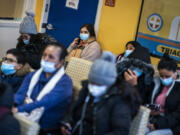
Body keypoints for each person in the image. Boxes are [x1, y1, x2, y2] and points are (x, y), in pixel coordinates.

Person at [61, 51, 141, 135]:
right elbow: (73, 110)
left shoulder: (119, 99)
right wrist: (66, 123)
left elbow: (121, 132)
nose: (94, 87)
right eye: (92, 82)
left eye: (99, 84)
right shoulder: (87, 89)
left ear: (109, 83)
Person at [14, 43, 73, 132]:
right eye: (44, 55)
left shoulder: (65, 83)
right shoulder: (33, 75)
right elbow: (20, 94)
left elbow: (44, 103)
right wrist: (12, 105)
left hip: (46, 124)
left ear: (60, 62)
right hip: (24, 113)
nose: (45, 59)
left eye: (51, 57)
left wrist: (18, 109)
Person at [146, 54, 180, 135]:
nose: (164, 79)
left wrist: (157, 125)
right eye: (161, 76)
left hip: (172, 125)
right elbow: (146, 100)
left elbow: (177, 115)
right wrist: (150, 110)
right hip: (153, 119)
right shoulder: (156, 84)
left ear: (176, 73)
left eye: (167, 76)